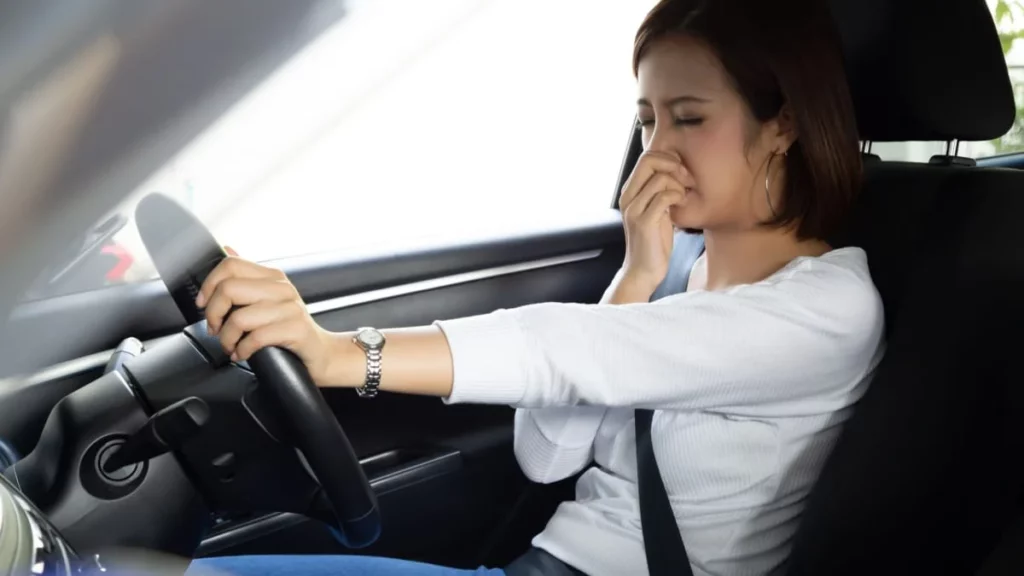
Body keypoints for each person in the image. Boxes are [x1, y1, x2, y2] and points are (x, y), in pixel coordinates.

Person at [187, 0, 884, 574]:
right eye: (648, 121)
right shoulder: (680, 271)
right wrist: (638, 274)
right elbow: (546, 457)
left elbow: (564, 352)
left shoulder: (828, 309)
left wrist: (340, 354)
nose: (659, 149)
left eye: (690, 117)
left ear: (783, 124)